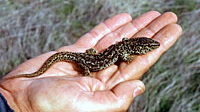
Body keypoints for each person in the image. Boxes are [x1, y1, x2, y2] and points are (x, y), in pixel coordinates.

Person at [0, 11, 182, 112]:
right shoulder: (125, 50)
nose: (151, 47)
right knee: (86, 69)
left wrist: (13, 101)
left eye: (149, 46)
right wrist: (15, 102)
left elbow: (122, 49)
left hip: (89, 56)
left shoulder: (126, 44)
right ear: (139, 47)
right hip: (88, 63)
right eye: (148, 47)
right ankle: (36, 75)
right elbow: (122, 55)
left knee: (89, 58)